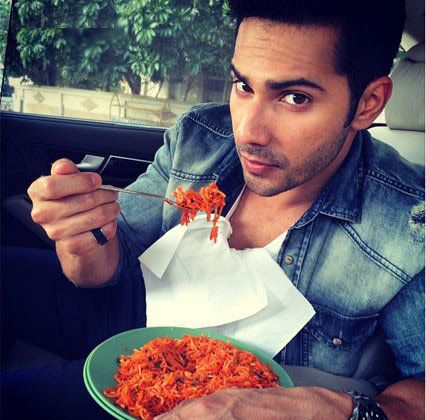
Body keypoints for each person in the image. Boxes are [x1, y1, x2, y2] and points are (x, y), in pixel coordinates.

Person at [2, 0, 424, 419]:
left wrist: (339, 409)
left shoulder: (409, 223)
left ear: (368, 103)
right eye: (243, 86)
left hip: (211, 390)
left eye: (295, 97)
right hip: (134, 305)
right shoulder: (200, 136)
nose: (249, 132)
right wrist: (81, 241)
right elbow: (106, 264)